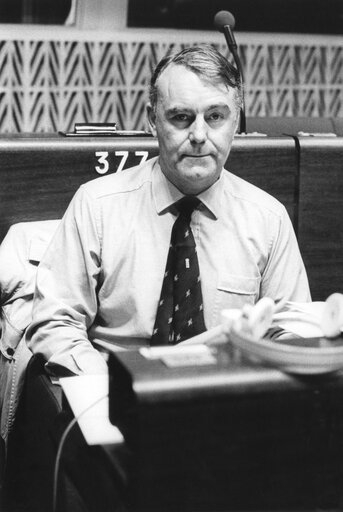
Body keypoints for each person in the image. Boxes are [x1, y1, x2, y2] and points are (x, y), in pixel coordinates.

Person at [26, 44, 311, 377]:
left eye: (216, 117)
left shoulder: (269, 219)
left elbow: (293, 331)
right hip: (113, 395)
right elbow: (56, 320)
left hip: (226, 398)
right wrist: (110, 388)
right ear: (152, 120)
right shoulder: (97, 205)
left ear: (236, 123)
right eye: (181, 117)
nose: (199, 136)